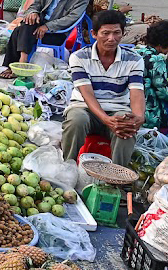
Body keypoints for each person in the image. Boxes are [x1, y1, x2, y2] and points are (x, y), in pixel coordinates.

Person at [61, 10, 145, 167]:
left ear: (123, 33)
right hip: (85, 108)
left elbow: (137, 92)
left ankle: (118, 176)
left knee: (126, 129)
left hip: (117, 110)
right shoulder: (79, 57)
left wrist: (139, 117)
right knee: (76, 120)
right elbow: (87, 95)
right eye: (105, 33)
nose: (111, 39)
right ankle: (67, 168)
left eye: (116, 33)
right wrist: (106, 120)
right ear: (94, 33)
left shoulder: (134, 59)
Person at [0, 0, 90, 77]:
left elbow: (72, 18)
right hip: (38, 25)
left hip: (56, 33)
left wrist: (48, 26)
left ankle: (16, 65)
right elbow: (34, 5)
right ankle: (22, 62)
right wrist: (33, 12)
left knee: (19, 30)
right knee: (29, 20)